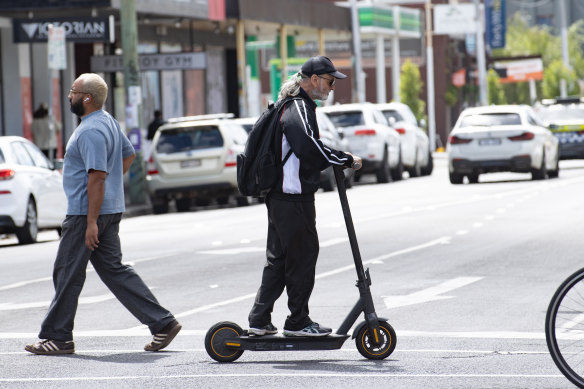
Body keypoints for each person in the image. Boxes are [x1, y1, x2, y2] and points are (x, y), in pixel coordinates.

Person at [25, 73, 181, 355]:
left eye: (73, 91)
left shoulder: (90, 131)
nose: (69, 95)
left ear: (87, 98)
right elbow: (128, 155)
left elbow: (96, 177)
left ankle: (58, 337)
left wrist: (92, 221)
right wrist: (109, 189)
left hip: (87, 214)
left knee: (67, 272)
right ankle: (163, 324)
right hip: (107, 210)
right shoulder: (107, 121)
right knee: (114, 271)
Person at [248, 56, 362, 337]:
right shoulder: (298, 107)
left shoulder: (291, 105)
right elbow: (307, 145)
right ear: (314, 80)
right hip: (292, 197)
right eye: (330, 81)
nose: (332, 87)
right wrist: (343, 159)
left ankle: (259, 319)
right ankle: (298, 321)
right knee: (303, 256)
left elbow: (308, 145)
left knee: (280, 260)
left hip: (281, 197)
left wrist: (337, 158)